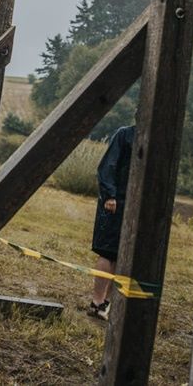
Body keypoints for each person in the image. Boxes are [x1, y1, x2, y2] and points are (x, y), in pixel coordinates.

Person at [88, 125, 135, 320]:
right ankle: (96, 303)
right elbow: (108, 165)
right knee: (107, 251)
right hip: (115, 203)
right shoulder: (124, 134)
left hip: (134, 205)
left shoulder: (155, 140)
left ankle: (107, 303)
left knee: (122, 254)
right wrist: (110, 195)